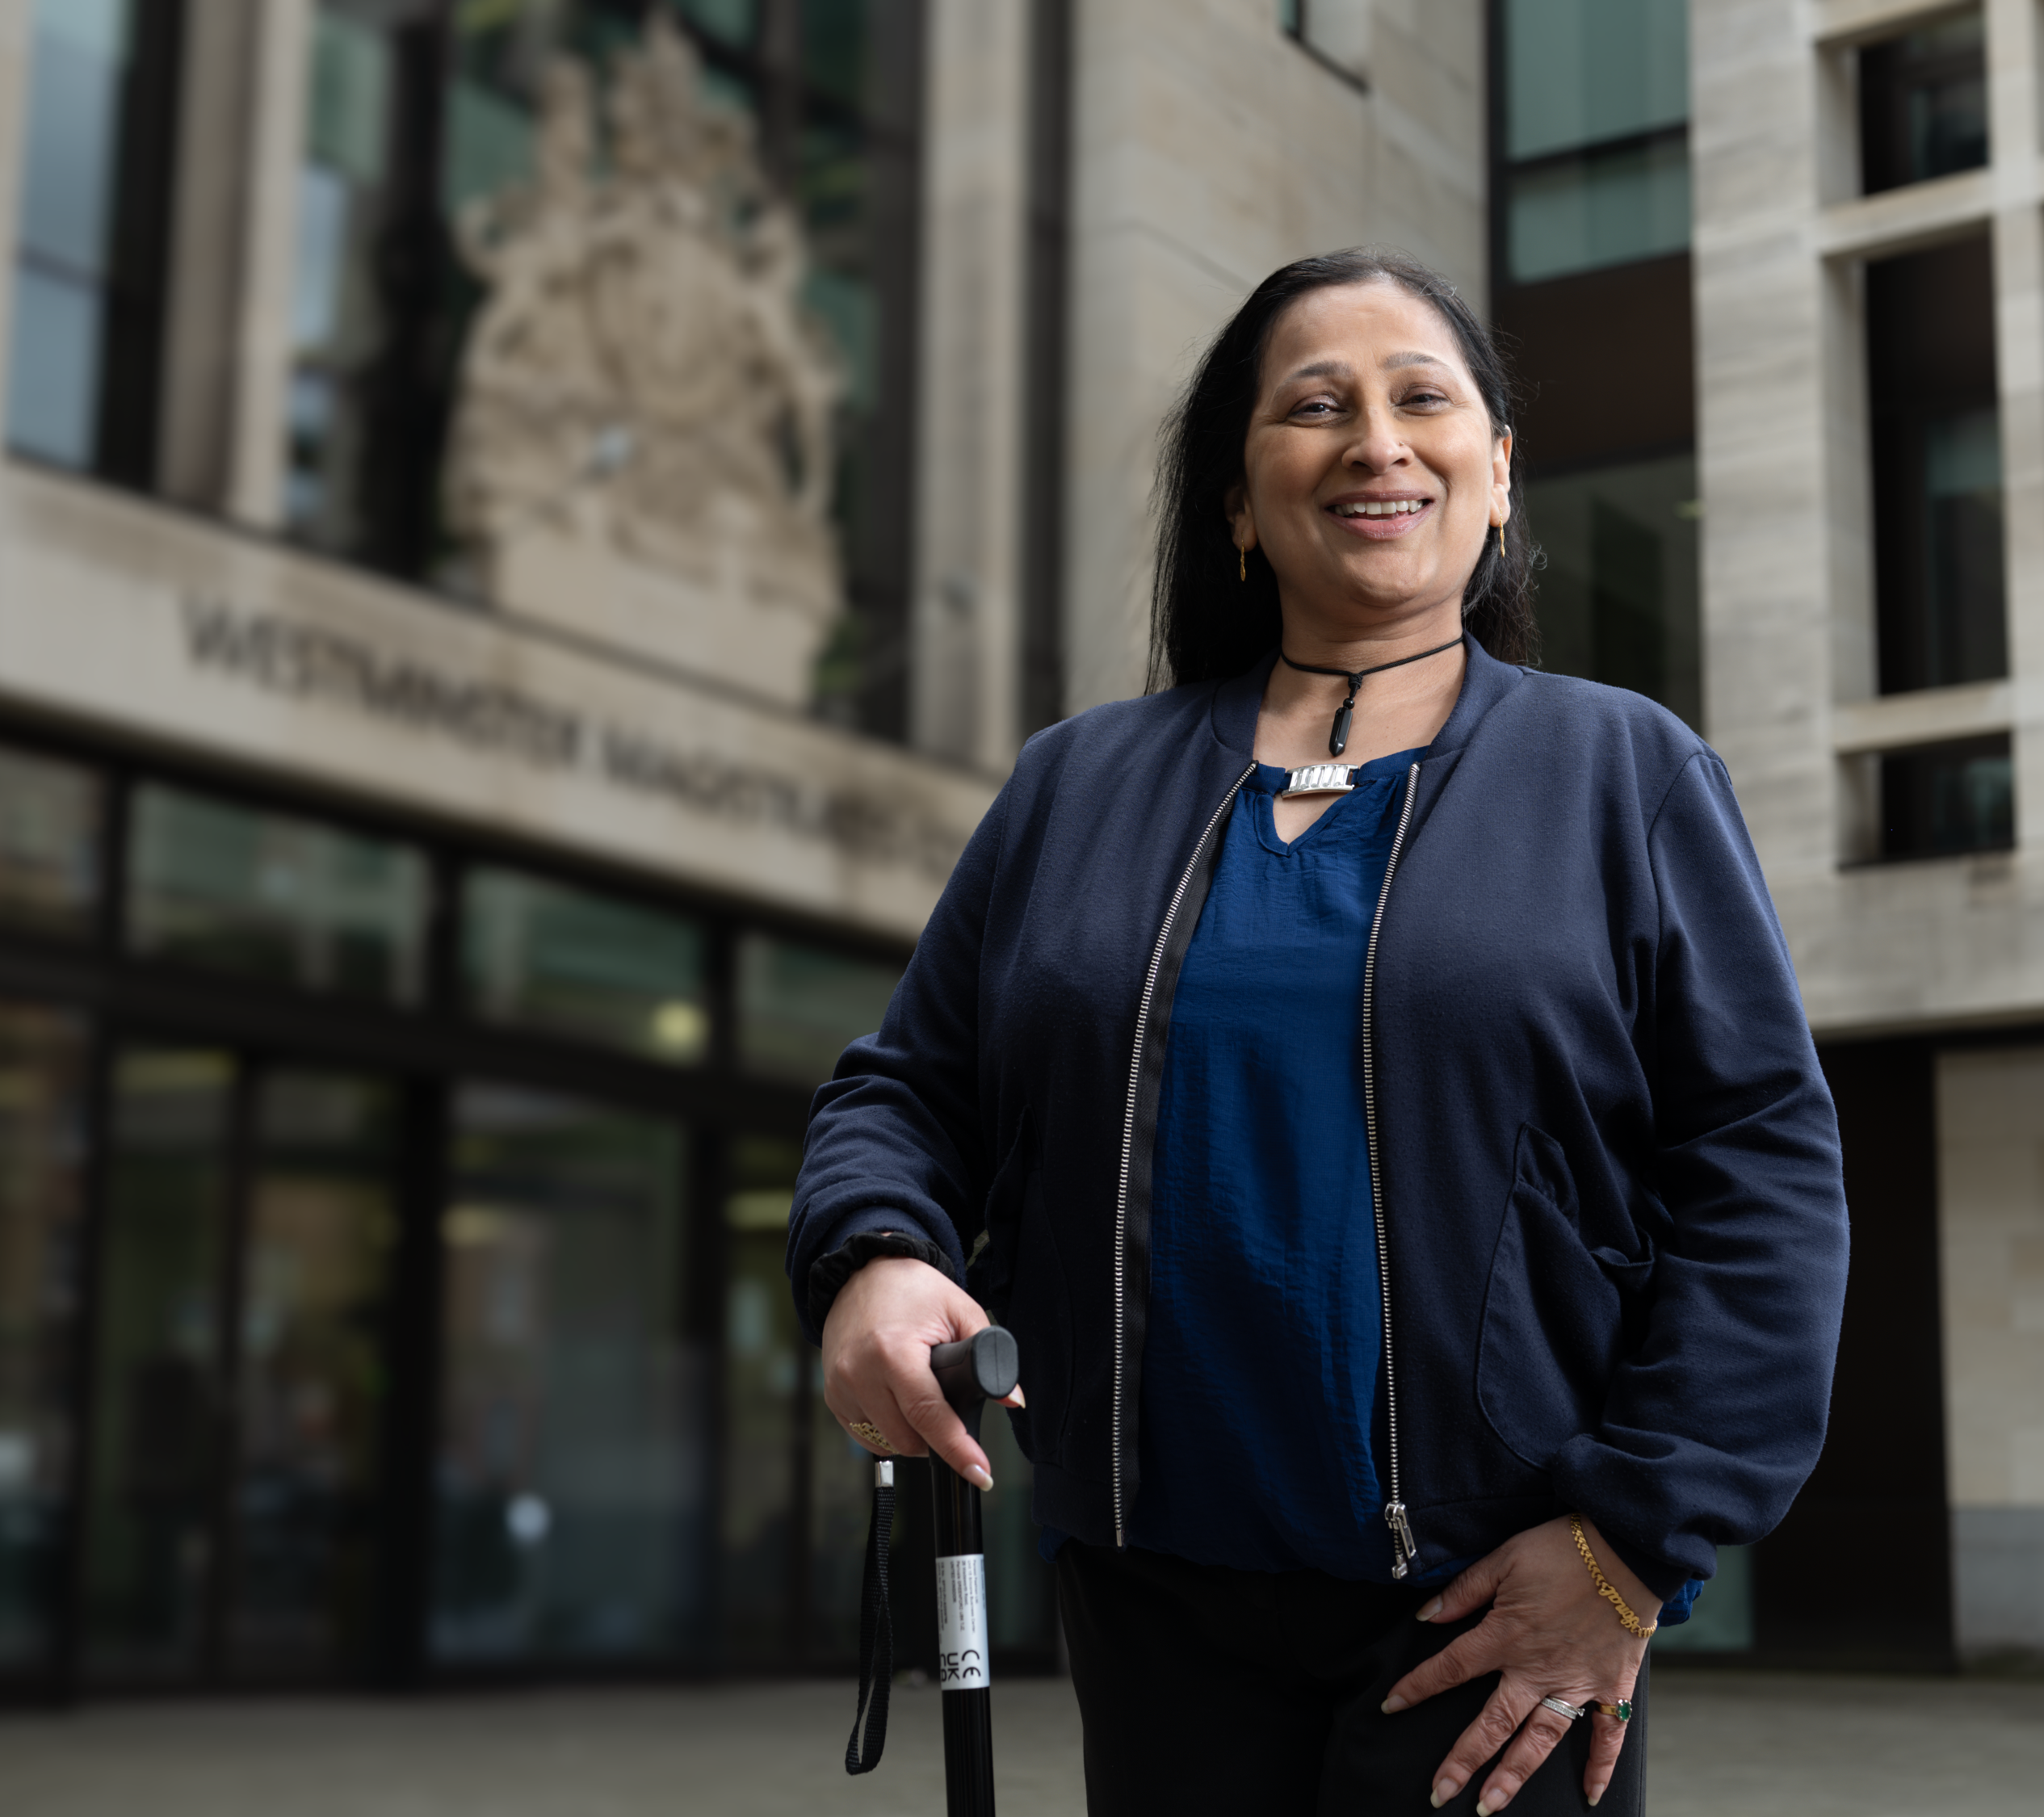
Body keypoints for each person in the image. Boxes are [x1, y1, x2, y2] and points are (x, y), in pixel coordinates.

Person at [788, 248, 1848, 1815]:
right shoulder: (1080, 785)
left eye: (1426, 398)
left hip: (1496, 1604)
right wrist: (874, 1249)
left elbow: (1760, 1166)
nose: (1376, 440)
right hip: (1153, 1602)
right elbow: (910, 1090)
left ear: (1497, 480)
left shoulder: (1626, 773)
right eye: (1313, 404)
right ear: (1235, 498)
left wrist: (1632, 1542)